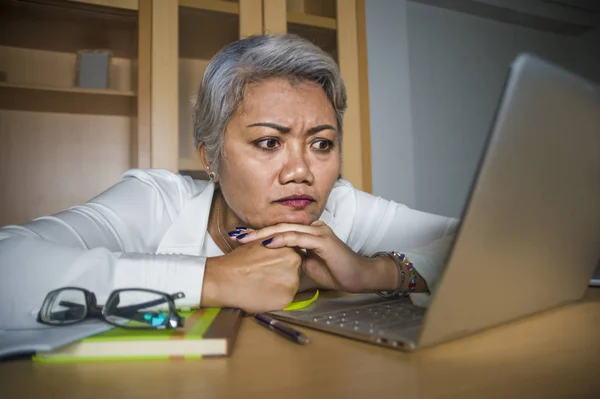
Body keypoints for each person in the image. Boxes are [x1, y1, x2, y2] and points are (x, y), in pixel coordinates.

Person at [0, 34, 459, 330]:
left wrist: (373, 271)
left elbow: (489, 241)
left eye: (321, 144)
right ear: (210, 158)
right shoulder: (158, 201)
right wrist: (212, 278)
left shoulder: (340, 206)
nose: (301, 170)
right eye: (268, 143)